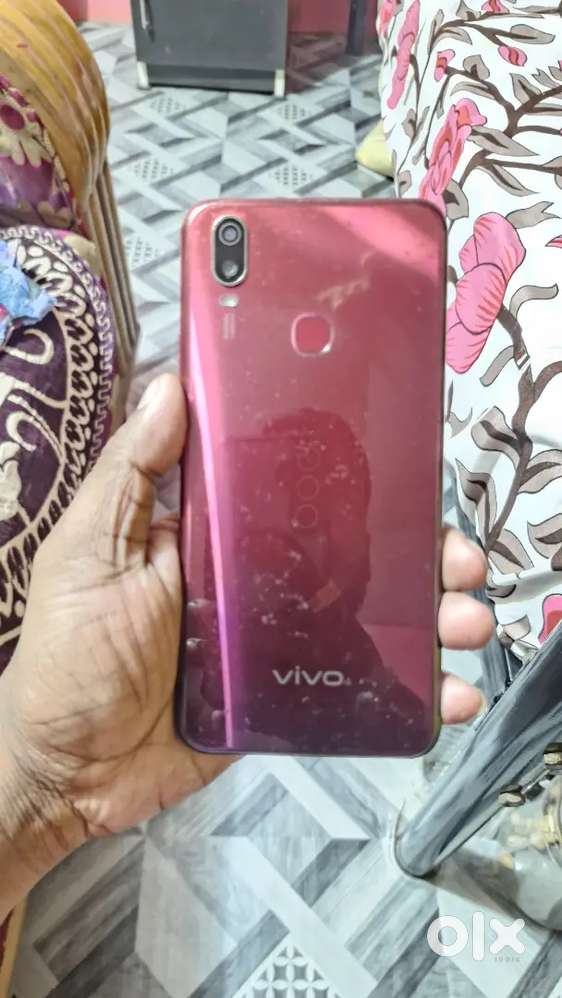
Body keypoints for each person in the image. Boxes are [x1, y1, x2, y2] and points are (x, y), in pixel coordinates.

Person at [0, 373, 493, 922]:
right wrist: (37, 778)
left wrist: (38, 782)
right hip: (232, 663)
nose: (292, 507)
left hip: (335, 654)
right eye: (271, 476)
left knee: (386, 695)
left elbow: (355, 586)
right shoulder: (210, 592)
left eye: (313, 493)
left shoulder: (346, 615)